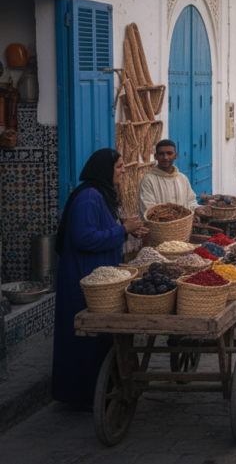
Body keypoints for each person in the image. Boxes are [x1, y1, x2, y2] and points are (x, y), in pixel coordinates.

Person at [52, 148, 148, 406]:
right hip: (83, 278)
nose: (123, 170)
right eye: (119, 166)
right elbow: (84, 238)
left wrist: (128, 230)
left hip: (100, 277)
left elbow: (105, 228)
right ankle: (81, 397)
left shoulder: (103, 194)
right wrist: (122, 230)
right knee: (84, 339)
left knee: (99, 338)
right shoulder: (88, 198)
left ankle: (100, 392)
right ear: (104, 169)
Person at [137, 140, 200, 218]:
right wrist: (174, 219)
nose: (165, 157)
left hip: (183, 228)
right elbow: (149, 211)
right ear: (156, 156)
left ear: (175, 155)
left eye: (169, 153)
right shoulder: (148, 180)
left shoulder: (182, 179)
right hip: (157, 229)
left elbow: (191, 202)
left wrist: (198, 209)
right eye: (161, 154)